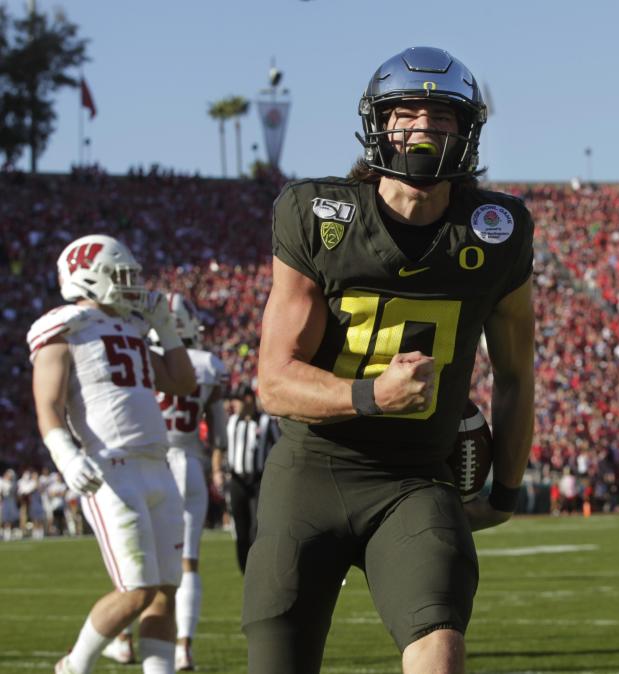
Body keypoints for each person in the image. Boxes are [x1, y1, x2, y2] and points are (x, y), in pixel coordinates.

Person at [243, 46, 535, 673]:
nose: (424, 129)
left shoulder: (496, 228)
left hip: (415, 478)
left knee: (440, 645)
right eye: (407, 114)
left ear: (469, 130)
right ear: (378, 123)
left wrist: (506, 492)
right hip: (312, 471)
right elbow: (273, 380)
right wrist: (371, 394)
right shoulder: (319, 216)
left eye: (442, 117)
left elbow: (515, 374)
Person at [28, 234, 196, 674]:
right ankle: (73, 666)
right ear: (87, 277)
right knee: (136, 590)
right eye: (120, 277)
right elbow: (48, 403)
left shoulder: (131, 326)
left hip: (157, 465)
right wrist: (64, 453)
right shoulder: (67, 325)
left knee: (166, 590)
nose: (131, 286)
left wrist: (165, 329)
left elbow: (181, 383)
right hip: (113, 471)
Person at [105, 293, 228, 671]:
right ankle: (183, 648)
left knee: (137, 558)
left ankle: (124, 641)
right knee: (186, 564)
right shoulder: (209, 365)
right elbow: (219, 434)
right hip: (190, 462)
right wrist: (218, 468)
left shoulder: (141, 356)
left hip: (151, 462)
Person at [215, 385, 278, 573]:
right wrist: (217, 469)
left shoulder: (266, 422)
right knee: (240, 530)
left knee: (256, 528)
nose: (234, 404)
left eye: (238, 400)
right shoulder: (232, 422)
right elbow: (220, 447)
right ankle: (245, 570)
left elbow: (278, 446)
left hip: (259, 480)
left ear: (249, 400)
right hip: (237, 481)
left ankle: (258, 568)